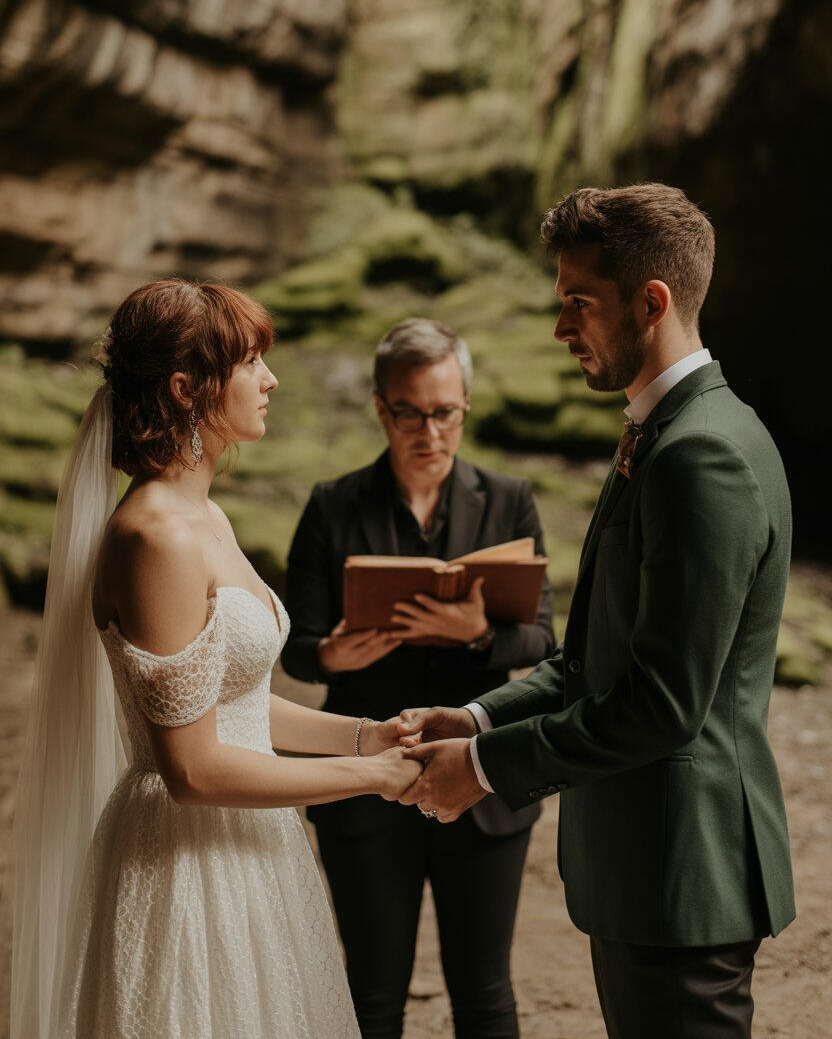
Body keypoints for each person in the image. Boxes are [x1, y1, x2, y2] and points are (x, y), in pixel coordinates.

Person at [398, 184, 795, 1039]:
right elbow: (593, 663)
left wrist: (486, 767)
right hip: (649, 870)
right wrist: (474, 717)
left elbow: (663, 705)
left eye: (579, 302)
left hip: (686, 876)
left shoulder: (704, 456)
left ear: (651, 303)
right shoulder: (672, 432)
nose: (560, 327)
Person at [9, 278, 422, 1039]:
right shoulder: (155, 536)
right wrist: (371, 780)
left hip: (254, 845)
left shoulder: (205, 515)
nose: (270, 380)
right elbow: (192, 769)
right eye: (252, 361)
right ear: (186, 387)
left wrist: (367, 734)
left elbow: (226, 701)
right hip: (185, 870)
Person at [281, 317, 555, 1039]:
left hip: (482, 768)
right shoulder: (331, 505)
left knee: (485, 990)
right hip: (367, 770)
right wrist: (335, 655)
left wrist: (481, 635)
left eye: (445, 413)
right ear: (381, 408)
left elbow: (544, 638)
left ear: (465, 406)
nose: (428, 431)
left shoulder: (509, 499)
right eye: (410, 412)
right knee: (370, 994)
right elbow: (297, 651)